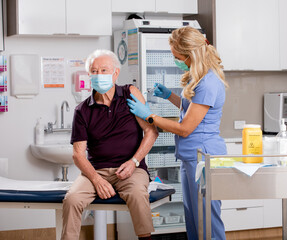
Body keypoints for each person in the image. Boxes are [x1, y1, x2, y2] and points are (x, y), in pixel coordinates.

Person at [127, 26, 227, 240]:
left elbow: (185, 128)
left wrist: (150, 116)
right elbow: (191, 108)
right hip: (191, 157)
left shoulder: (208, 82)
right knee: (193, 218)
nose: (176, 61)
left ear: (190, 55)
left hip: (203, 157)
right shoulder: (198, 77)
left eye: (177, 57)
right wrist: (170, 96)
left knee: (207, 218)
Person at [61, 49, 158, 240]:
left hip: (132, 168)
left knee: (138, 194)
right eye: (94, 71)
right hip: (95, 172)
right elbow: (78, 154)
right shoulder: (82, 110)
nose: (99, 75)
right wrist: (97, 180)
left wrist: (134, 162)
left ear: (115, 73)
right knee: (72, 199)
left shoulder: (130, 93)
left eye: (104, 70)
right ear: (89, 75)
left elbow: (151, 131)